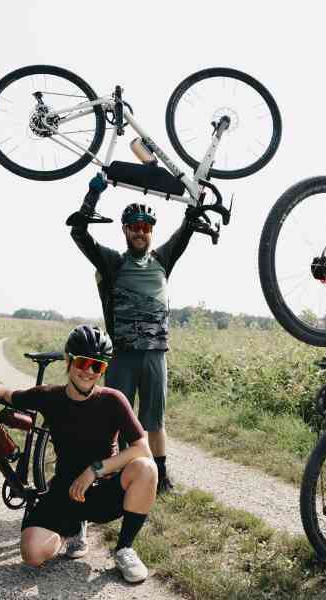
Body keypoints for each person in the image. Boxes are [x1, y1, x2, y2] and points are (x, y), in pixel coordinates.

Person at [0, 325, 157, 583]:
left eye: (98, 366)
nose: (89, 372)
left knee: (147, 469)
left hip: (103, 490)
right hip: (65, 491)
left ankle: (124, 548)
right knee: (32, 554)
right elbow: (6, 394)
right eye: (83, 362)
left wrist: (94, 470)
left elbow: (142, 448)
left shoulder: (113, 400)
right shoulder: (50, 397)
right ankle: (72, 528)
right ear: (68, 360)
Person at [67, 174, 200, 494]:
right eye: (134, 226)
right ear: (124, 230)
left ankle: (162, 478)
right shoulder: (113, 262)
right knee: (121, 422)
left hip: (156, 354)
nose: (140, 232)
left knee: (154, 422)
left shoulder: (162, 259)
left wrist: (198, 196)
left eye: (146, 227)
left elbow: (189, 224)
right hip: (123, 355)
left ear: (151, 232)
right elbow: (79, 232)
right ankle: (122, 477)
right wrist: (92, 195)